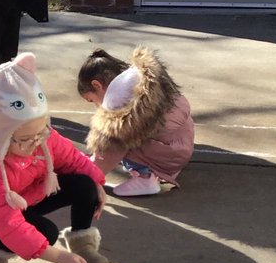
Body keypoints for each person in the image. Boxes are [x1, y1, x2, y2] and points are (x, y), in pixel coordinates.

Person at [0, 53, 109, 263]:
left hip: (29, 194)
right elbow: (7, 221)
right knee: (46, 233)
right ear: (0, 134)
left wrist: (97, 183)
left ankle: (83, 246)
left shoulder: (38, 133)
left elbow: (71, 158)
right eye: (25, 139)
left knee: (84, 184)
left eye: (40, 134)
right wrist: (59, 257)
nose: (35, 143)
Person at [77, 47, 197, 197]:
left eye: (92, 100)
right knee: (140, 130)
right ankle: (154, 168)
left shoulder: (117, 101)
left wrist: (85, 175)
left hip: (168, 157)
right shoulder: (140, 77)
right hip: (180, 149)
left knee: (119, 137)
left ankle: (145, 178)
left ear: (97, 85)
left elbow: (109, 151)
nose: (97, 106)